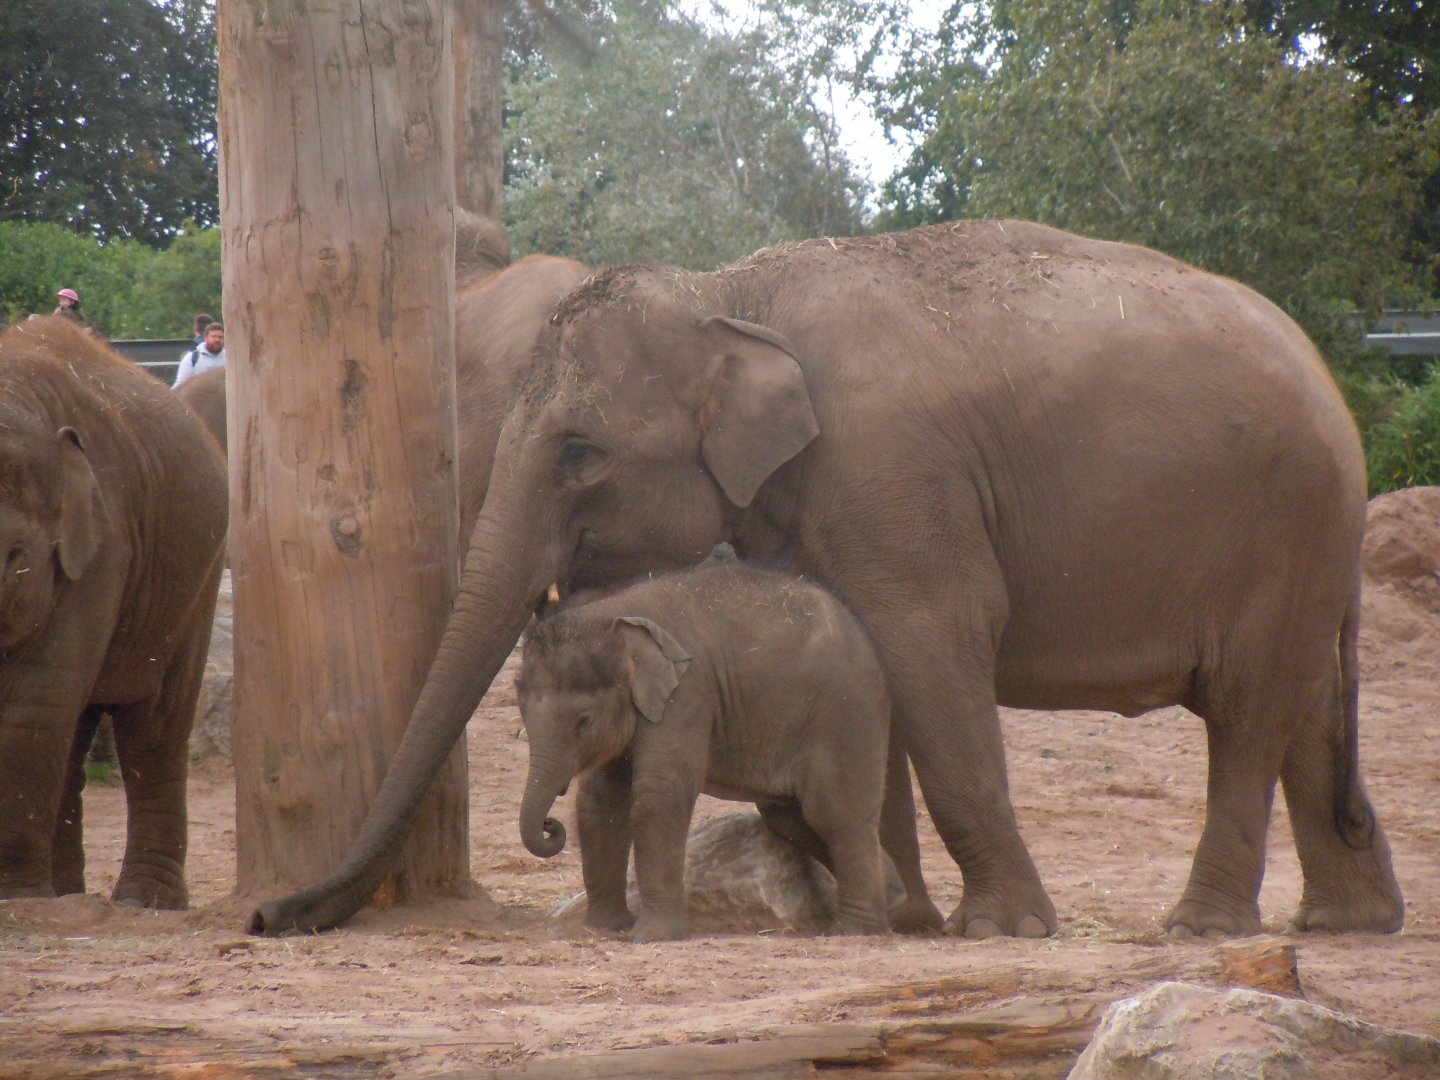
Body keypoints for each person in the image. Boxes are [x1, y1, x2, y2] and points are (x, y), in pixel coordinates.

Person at [173, 322, 225, 388]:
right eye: (213, 336)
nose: (217, 340)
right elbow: (180, 384)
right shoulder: (192, 358)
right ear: (205, 338)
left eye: (220, 337)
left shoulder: (230, 359)